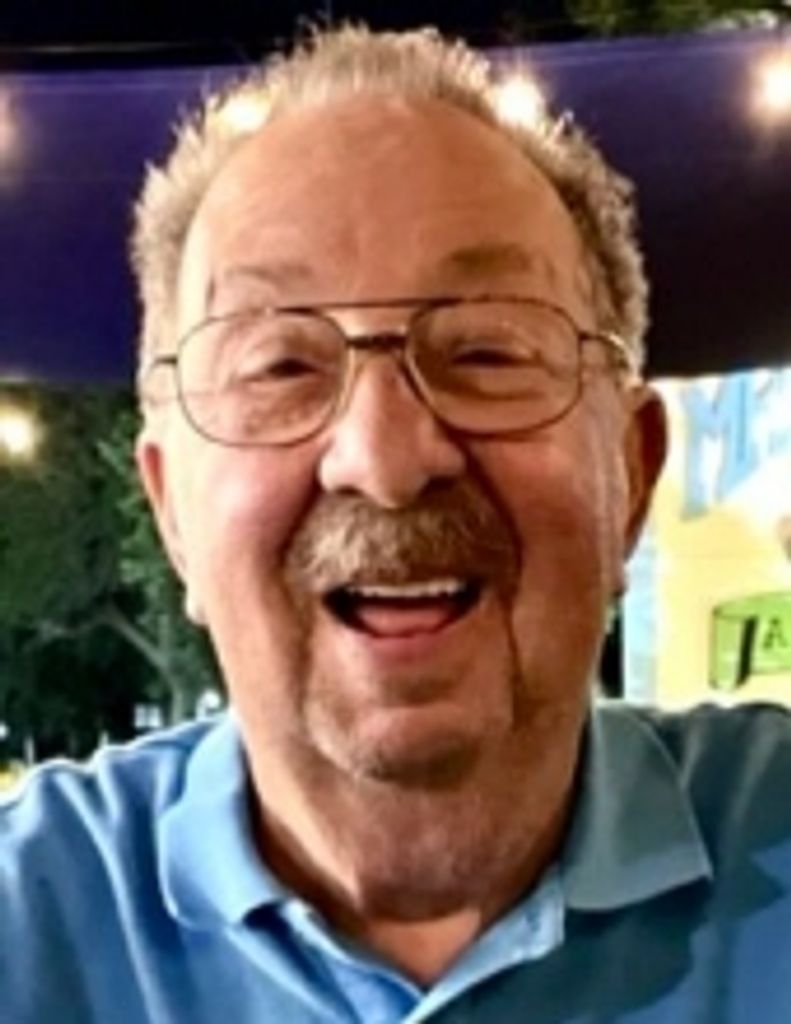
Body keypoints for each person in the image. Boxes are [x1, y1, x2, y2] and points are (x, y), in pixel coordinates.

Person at [2, 24, 791, 1024]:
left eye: (487, 354)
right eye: (281, 366)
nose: (383, 461)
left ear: (628, 477)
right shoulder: (29, 920)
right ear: (173, 512)